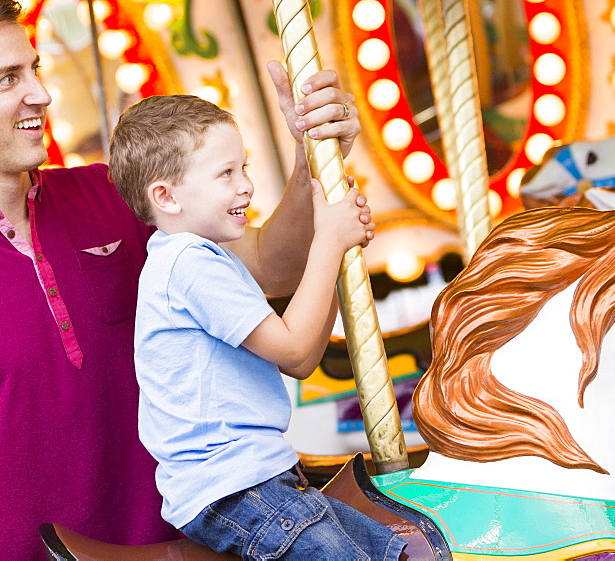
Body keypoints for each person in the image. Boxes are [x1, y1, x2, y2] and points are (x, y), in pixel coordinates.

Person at [0, 0, 368, 560]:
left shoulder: (111, 195)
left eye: (34, 68)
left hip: (190, 549)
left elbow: (268, 265)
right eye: (9, 79)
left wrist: (307, 154)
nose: (40, 93)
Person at [108, 96, 404, 560]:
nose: (246, 186)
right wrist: (327, 240)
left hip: (261, 479)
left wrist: (335, 253)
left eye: (243, 168)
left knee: (395, 550)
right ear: (166, 195)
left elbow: (304, 359)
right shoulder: (186, 264)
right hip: (234, 487)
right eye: (226, 174)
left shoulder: (208, 260)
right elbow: (291, 346)